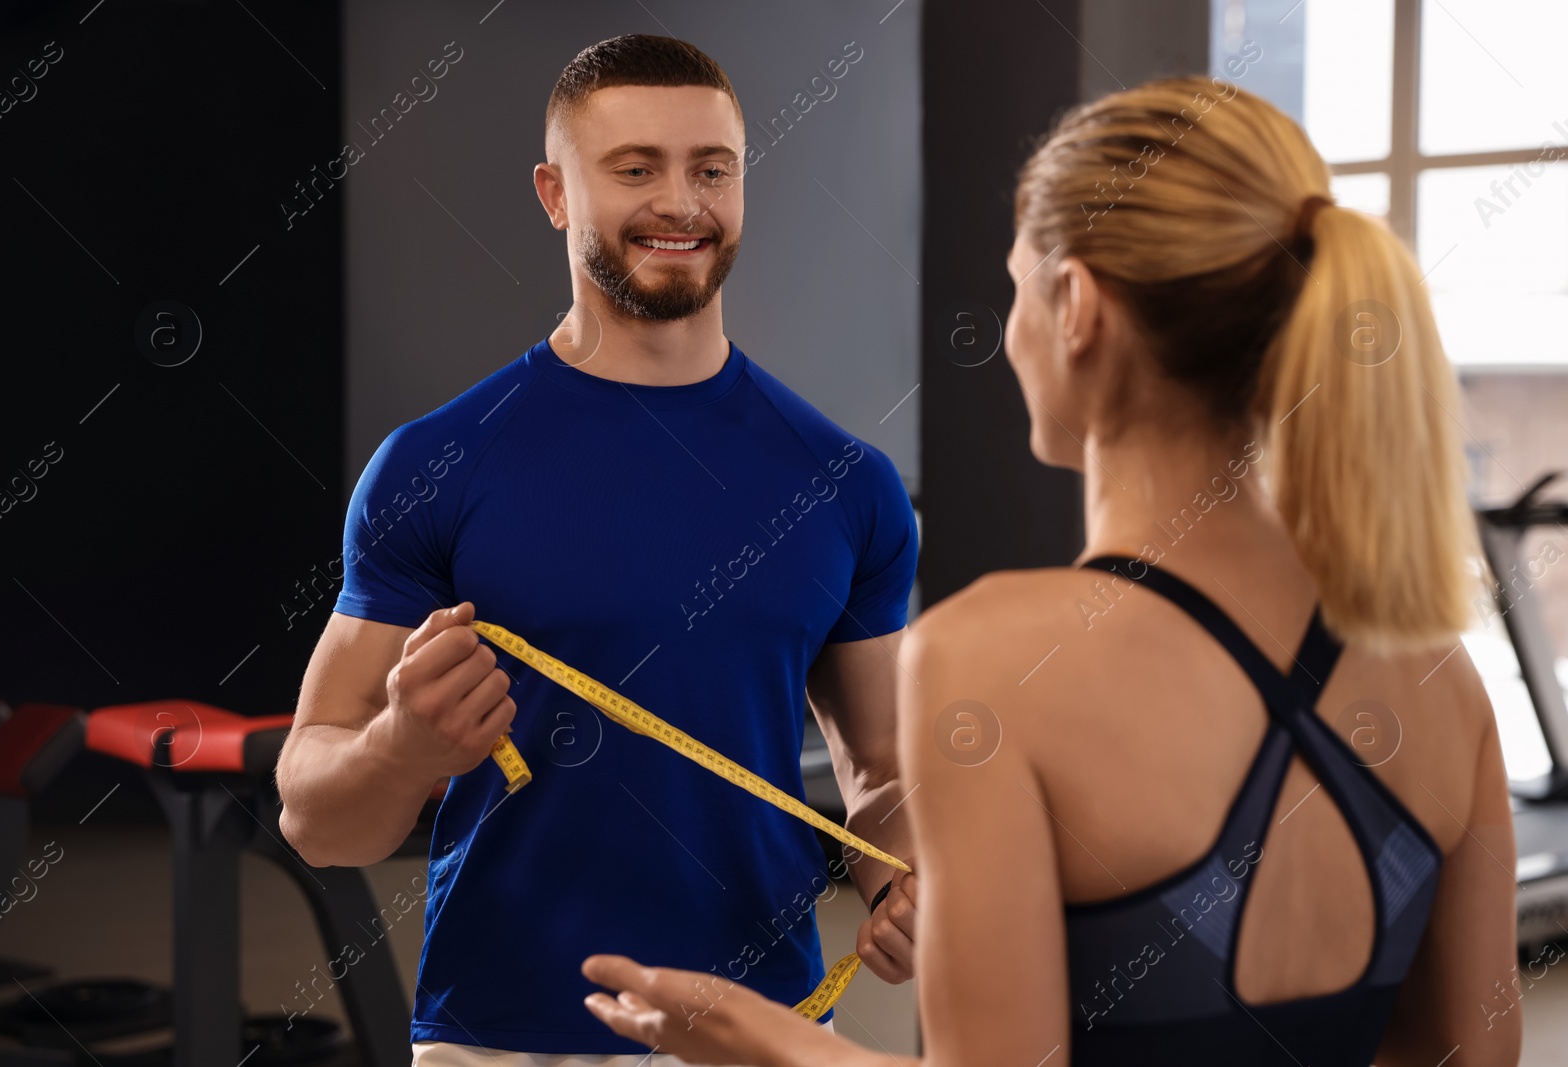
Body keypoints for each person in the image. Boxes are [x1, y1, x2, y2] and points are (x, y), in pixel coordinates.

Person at [579, 75, 1522, 1066]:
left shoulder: (995, 659)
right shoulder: (1435, 673)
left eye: (1016, 281)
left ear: (1075, 304)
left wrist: (751, 1035)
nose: (1012, 328)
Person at [274, 34, 922, 1067]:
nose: (681, 202)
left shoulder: (845, 483)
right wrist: (401, 747)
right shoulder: (434, 466)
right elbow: (314, 817)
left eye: (711, 168)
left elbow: (883, 770)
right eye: (635, 169)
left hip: (766, 1028)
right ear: (553, 192)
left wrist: (902, 876)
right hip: (499, 1031)